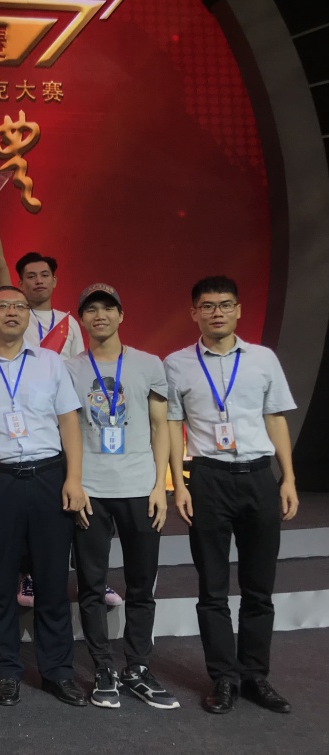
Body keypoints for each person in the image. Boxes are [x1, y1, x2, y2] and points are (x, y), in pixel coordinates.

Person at [165, 275, 299, 715]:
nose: (217, 312)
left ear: (239, 310)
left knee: (260, 587)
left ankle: (255, 675)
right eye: (207, 306)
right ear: (194, 313)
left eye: (225, 304)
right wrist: (178, 484)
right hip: (209, 479)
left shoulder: (263, 359)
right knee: (213, 588)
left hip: (259, 476)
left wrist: (288, 478)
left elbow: (275, 418)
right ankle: (223, 677)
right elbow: (172, 426)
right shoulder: (177, 364)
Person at [66, 284, 178, 709]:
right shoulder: (71, 368)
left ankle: (138, 667)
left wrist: (160, 485)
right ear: (82, 319)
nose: (100, 315)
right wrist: (74, 483)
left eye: (108, 308)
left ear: (121, 315)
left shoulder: (148, 364)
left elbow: (160, 427)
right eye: (91, 310)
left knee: (141, 584)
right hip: (91, 490)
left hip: (140, 488)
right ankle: (103, 668)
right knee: (91, 585)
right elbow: (68, 429)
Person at [0, 285, 89, 708]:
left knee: (52, 580)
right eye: (2, 306)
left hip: (48, 476)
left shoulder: (50, 362)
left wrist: (73, 478)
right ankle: (6, 671)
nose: (12, 312)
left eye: (19, 306)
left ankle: (58, 672)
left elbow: (69, 422)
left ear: (28, 315)